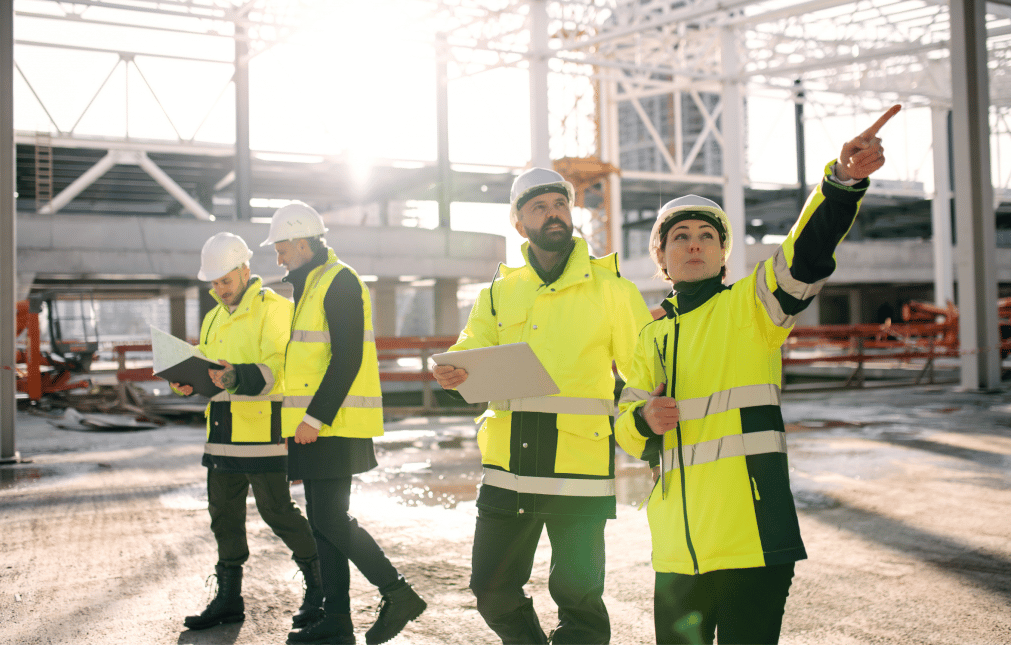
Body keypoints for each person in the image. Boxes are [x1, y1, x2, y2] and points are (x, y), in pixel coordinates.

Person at [615, 105, 902, 645]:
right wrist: (644, 419)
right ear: (662, 256)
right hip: (676, 549)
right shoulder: (648, 338)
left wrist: (839, 184)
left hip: (754, 539)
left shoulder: (753, 308)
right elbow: (624, 429)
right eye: (680, 237)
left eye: (706, 235)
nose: (693, 243)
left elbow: (805, 255)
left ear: (724, 253)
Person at [431, 168, 653, 644]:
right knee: (491, 590)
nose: (553, 213)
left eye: (559, 204)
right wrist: (453, 374)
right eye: (539, 207)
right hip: (508, 465)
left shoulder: (612, 291)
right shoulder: (498, 293)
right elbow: (470, 355)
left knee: (578, 599)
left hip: (578, 464)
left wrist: (648, 431)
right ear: (519, 224)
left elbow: (646, 377)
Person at [261, 202, 426, 645]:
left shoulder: (339, 281)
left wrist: (315, 417)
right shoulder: (311, 285)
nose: (278, 258)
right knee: (323, 523)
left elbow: (347, 356)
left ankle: (398, 593)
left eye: (280, 249)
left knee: (331, 520)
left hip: (333, 424)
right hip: (315, 427)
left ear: (301, 243)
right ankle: (337, 620)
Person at [175, 232, 323, 632]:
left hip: (263, 432)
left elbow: (281, 369)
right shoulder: (212, 317)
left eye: (225, 280)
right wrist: (190, 381)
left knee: (278, 512)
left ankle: (320, 586)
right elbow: (212, 371)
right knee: (222, 516)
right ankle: (228, 599)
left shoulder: (275, 309)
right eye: (214, 283)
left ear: (245, 270)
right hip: (221, 431)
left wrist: (235, 375)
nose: (219, 290)